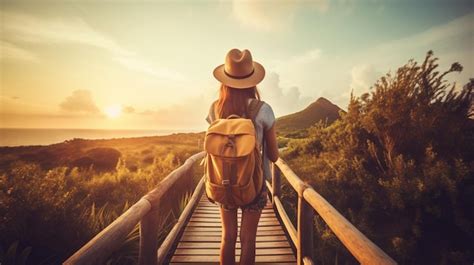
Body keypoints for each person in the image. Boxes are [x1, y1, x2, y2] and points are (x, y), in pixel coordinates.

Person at [205, 48, 279, 265]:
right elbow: (274, 156)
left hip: (223, 181)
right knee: (248, 240)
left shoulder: (215, 109)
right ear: (253, 81)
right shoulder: (263, 110)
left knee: (227, 237)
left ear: (225, 81)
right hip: (254, 184)